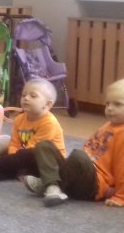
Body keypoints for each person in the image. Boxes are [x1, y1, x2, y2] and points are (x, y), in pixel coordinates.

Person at [22, 79, 124, 207]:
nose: (109, 108)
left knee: (78, 156)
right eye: (107, 104)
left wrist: (120, 196)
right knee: (44, 145)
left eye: (118, 104)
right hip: (79, 173)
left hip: (94, 185)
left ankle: (48, 184)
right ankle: (52, 186)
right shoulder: (108, 126)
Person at [0, 78, 65, 187]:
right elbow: (14, 143)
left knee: (22, 156)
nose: (26, 98)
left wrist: (15, 161)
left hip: (50, 166)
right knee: (12, 160)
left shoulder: (49, 123)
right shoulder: (19, 119)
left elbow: (33, 149)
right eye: (24, 95)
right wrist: (13, 160)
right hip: (26, 159)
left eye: (33, 96)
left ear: (48, 104)